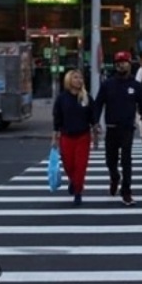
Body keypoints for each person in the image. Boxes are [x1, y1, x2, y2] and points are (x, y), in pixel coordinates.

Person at [93, 51, 142, 206]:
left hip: (127, 129)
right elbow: (98, 104)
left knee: (127, 161)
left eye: (124, 62)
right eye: (118, 63)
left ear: (130, 64)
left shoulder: (136, 86)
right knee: (110, 160)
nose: (121, 65)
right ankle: (114, 177)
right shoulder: (108, 84)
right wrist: (95, 122)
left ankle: (126, 191)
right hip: (111, 128)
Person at [52, 69, 97, 206]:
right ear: (69, 80)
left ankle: (78, 191)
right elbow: (57, 118)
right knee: (68, 165)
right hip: (66, 136)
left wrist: (96, 130)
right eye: (75, 78)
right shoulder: (62, 98)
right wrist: (54, 137)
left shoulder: (86, 97)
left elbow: (93, 116)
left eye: (80, 78)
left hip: (83, 136)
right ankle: (73, 181)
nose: (79, 80)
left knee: (80, 166)